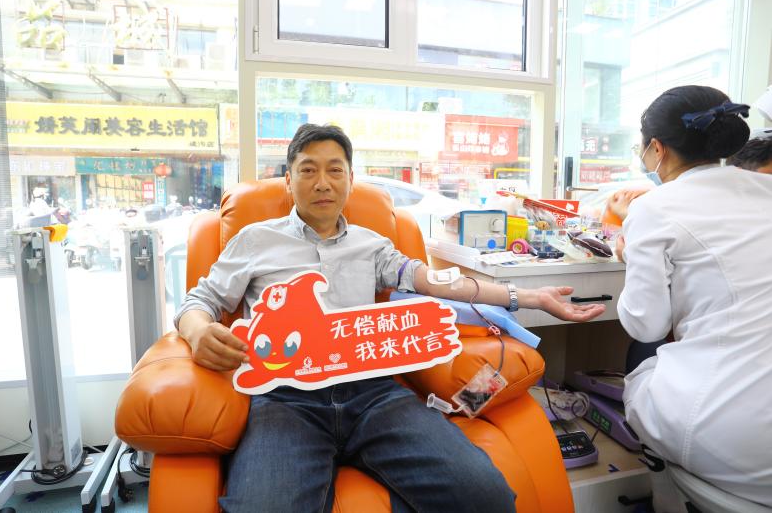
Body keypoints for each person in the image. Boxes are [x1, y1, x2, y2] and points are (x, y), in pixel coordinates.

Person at [175, 123, 606, 513]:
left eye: (335, 170)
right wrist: (198, 333)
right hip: (286, 400)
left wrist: (528, 297)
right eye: (307, 170)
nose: (322, 182)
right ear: (288, 180)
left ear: (350, 179)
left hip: (374, 395)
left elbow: (438, 282)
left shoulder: (373, 245)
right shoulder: (254, 240)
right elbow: (199, 301)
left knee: (485, 494)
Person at [607, 85, 772, 510]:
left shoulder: (654, 207)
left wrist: (632, 253)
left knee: (644, 357)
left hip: (732, 438)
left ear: (657, 148)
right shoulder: (764, 189)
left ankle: (664, 491)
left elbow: (645, 324)